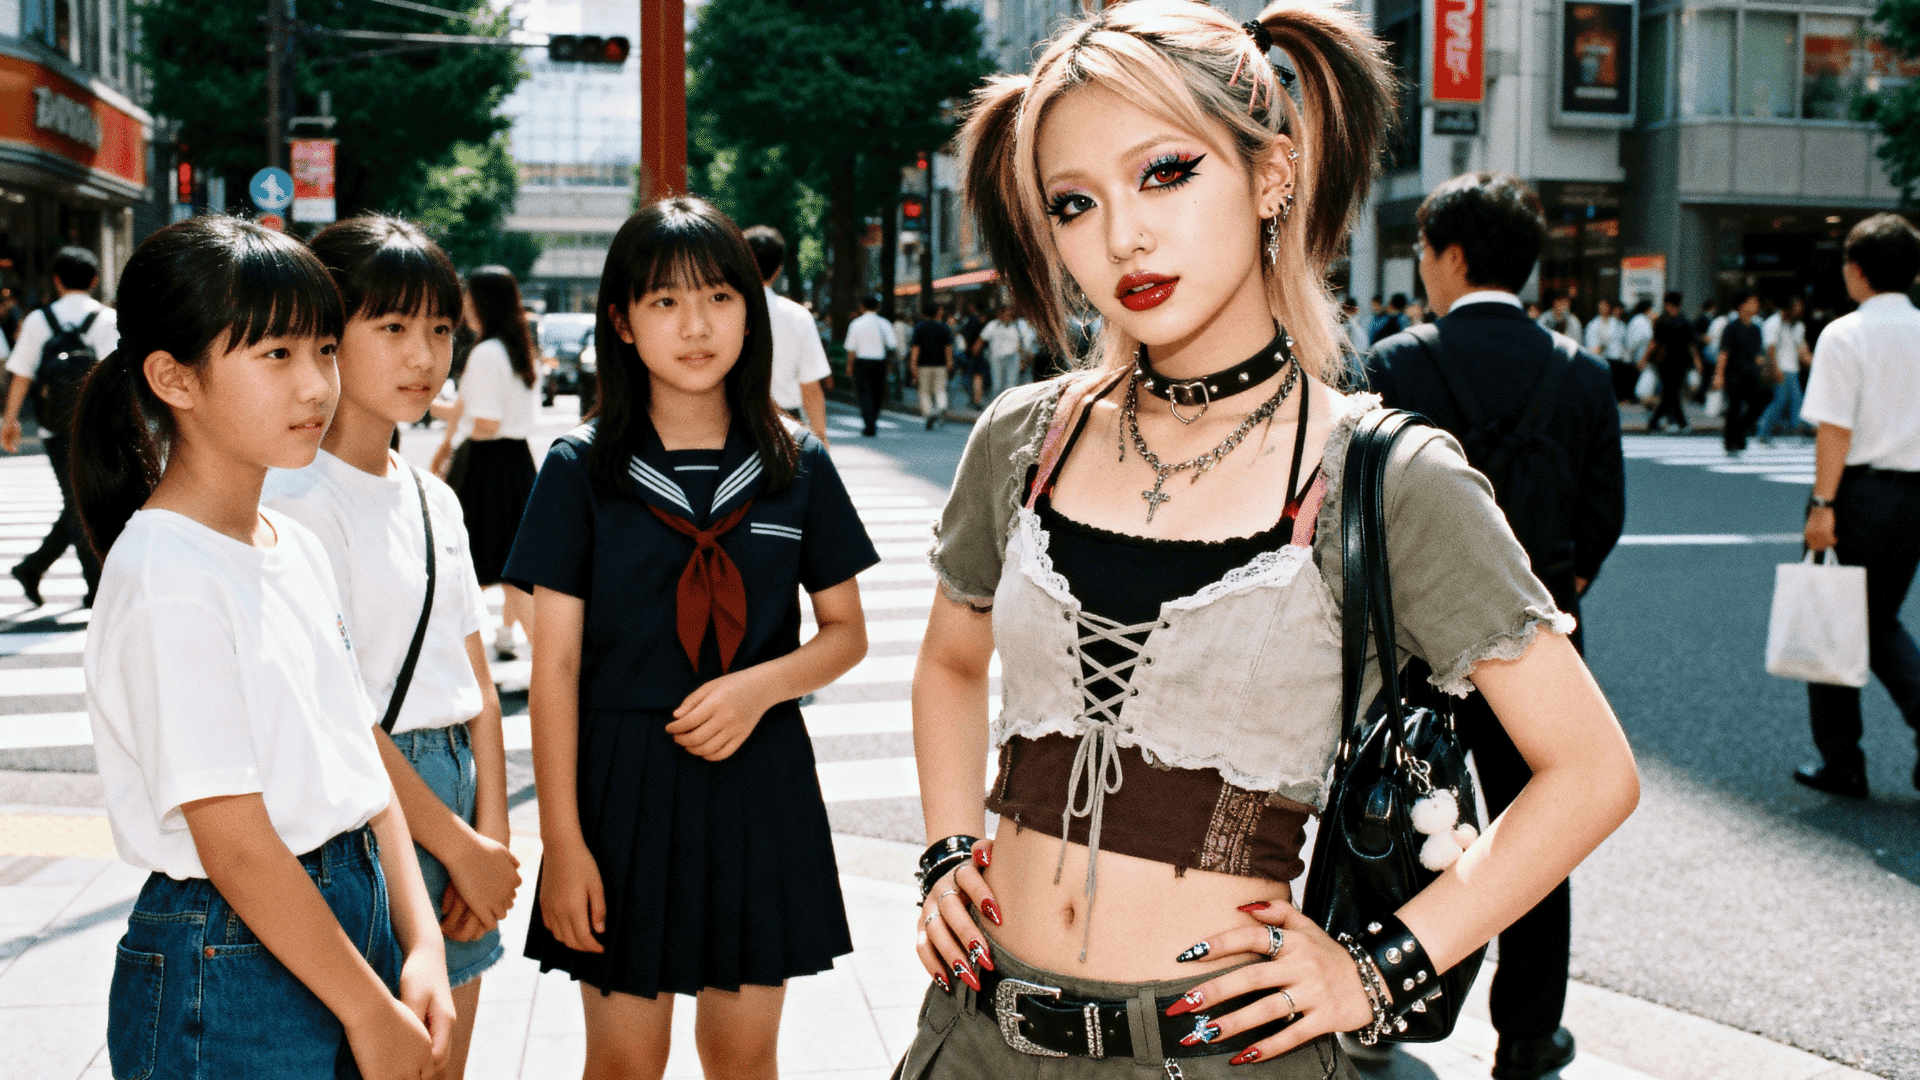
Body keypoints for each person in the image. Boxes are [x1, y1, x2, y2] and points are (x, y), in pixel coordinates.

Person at [908, 5, 1640, 1079]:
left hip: (1224, 1055)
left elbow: (1590, 771)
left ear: (1271, 175)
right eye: (1075, 202)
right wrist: (942, 851)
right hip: (980, 1033)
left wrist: (1378, 970)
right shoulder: (1026, 437)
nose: (1122, 237)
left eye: (1165, 173)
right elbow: (949, 658)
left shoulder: (1384, 474)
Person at [71, 215, 454, 1080]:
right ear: (174, 377)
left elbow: (361, 759)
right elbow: (236, 844)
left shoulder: (291, 542)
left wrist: (422, 944)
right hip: (231, 952)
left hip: (343, 923)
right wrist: (369, 1009)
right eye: (276, 354)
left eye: (324, 349)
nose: (316, 384)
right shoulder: (168, 572)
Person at [506, 196, 878, 1080]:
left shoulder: (795, 462)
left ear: (752, 312)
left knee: (743, 1058)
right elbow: (554, 669)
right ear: (621, 322)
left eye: (718, 296)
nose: (696, 325)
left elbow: (846, 634)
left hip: (760, 776)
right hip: (618, 787)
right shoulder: (579, 468)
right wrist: (562, 843)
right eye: (664, 301)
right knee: (625, 1063)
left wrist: (759, 688)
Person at [1366, 172, 1626, 1080]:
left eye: (1423, 250)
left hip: (1413, 646)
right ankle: (1527, 1034)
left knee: (1398, 820)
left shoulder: (1396, 363)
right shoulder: (1582, 371)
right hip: (1538, 643)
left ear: (1451, 255)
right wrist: (1557, 581)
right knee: (1537, 834)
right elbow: (1604, 513)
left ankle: (1381, 1009)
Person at [264, 216, 520, 1080]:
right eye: (394, 326)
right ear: (327, 334)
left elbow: (477, 680)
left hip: (456, 797)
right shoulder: (295, 500)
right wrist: (459, 846)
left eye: (441, 329)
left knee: (445, 1065)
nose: (424, 356)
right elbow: (336, 715)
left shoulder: (432, 495)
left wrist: (491, 834)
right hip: (368, 807)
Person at [1797, 212, 1920, 799]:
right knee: (1879, 618)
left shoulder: (1845, 334)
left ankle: (1842, 760)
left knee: (1834, 619)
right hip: (1915, 495)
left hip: (1859, 494)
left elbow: (1835, 429)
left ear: (1856, 269)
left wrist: (1823, 503)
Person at [1, 246, 120, 607]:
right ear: (95, 280)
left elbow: (21, 374)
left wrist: (10, 420)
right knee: (81, 505)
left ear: (56, 280)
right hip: (98, 429)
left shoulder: (39, 320)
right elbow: (120, 379)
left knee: (78, 503)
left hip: (54, 428)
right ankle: (93, 587)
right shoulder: (109, 319)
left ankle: (34, 568)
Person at [437, 267, 540, 660]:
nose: (464, 303)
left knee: (472, 564)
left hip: (487, 466)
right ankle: (510, 638)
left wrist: (454, 447)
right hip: (517, 462)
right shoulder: (517, 349)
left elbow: (485, 423)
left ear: (481, 302)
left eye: (468, 295)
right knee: (513, 564)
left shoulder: (485, 353)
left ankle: (458, 653)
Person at [743, 225, 832, 445]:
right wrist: (821, 438)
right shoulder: (797, 316)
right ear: (778, 270)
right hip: (785, 422)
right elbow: (810, 385)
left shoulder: (722, 309)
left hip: (732, 423)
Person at [1712, 291, 1768, 454]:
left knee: (1757, 405)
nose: (1756, 305)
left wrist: (1762, 362)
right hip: (1734, 374)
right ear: (1742, 305)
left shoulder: (1756, 329)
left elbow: (1757, 352)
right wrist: (1718, 375)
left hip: (1751, 373)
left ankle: (1739, 432)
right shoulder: (1731, 328)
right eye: (1752, 302)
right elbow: (1724, 352)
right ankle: (1731, 441)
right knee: (1734, 407)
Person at [1756, 296, 1810, 442]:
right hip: (1782, 368)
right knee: (1786, 400)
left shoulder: (1795, 325)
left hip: (1791, 368)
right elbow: (1770, 347)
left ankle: (1768, 429)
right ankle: (1766, 429)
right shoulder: (1773, 323)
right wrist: (1775, 368)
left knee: (1789, 399)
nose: (1799, 310)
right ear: (1788, 307)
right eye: (1796, 307)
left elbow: (1801, 347)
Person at [1646, 291, 1701, 434]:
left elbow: (1654, 342)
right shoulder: (1681, 321)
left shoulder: (1664, 320)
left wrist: (1644, 359)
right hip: (1672, 362)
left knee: (1670, 393)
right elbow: (1691, 343)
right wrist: (1697, 360)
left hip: (1670, 361)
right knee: (1672, 392)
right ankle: (1681, 423)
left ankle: (1656, 422)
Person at [844, 293, 896, 436]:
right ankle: (873, 419)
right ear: (878, 307)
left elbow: (851, 348)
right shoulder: (884, 323)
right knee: (877, 392)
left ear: (862, 307)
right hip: (880, 362)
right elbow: (892, 345)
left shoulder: (856, 324)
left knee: (864, 393)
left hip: (862, 362)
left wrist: (849, 366)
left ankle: (869, 423)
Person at [910, 301, 956, 430]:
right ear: (936, 313)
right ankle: (940, 408)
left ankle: (929, 413)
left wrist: (913, 365)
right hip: (940, 364)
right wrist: (949, 362)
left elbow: (915, 348)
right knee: (940, 389)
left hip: (923, 365)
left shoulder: (919, 327)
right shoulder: (944, 327)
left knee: (924, 391)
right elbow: (948, 347)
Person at [977, 304, 1030, 398]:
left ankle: (1010, 404)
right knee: (997, 385)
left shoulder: (1016, 326)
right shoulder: (993, 325)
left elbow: (1020, 344)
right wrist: (975, 352)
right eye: (1006, 313)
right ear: (1000, 313)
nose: (1008, 315)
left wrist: (1023, 360)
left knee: (1011, 385)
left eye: (1010, 313)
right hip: (997, 358)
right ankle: (998, 403)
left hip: (1012, 358)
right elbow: (981, 339)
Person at [1583, 297, 1629, 401]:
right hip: (1600, 358)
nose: (1604, 308)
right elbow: (1591, 346)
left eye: (1606, 306)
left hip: (1616, 359)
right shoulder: (1593, 324)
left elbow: (1623, 341)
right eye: (1601, 306)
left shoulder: (1616, 323)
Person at [1621, 297, 1655, 403]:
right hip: (1636, 357)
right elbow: (1633, 342)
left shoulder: (1644, 320)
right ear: (1647, 309)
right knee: (1635, 381)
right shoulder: (1639, 321)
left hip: (1640, 356)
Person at [958, 302, 990, 407]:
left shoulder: (972, 320)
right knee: (977, 376)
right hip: (979, 351)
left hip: (974, 351)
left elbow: (967, 335)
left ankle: (976, 400)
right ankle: (977, 399)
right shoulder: (982, 320)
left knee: (975, 376)